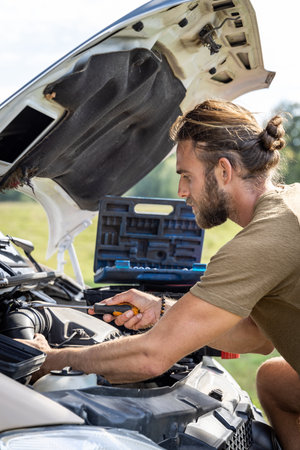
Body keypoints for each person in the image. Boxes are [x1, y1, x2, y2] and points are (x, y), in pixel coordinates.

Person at [27, 100, 300, 449]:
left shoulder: (261, 242)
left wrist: (50, 360)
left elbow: (149, 357)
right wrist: (164, 309)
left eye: (187, 175)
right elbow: (257, 338)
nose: (181, 192)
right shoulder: (287, 208)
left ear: (223, 171)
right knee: (275, 381)